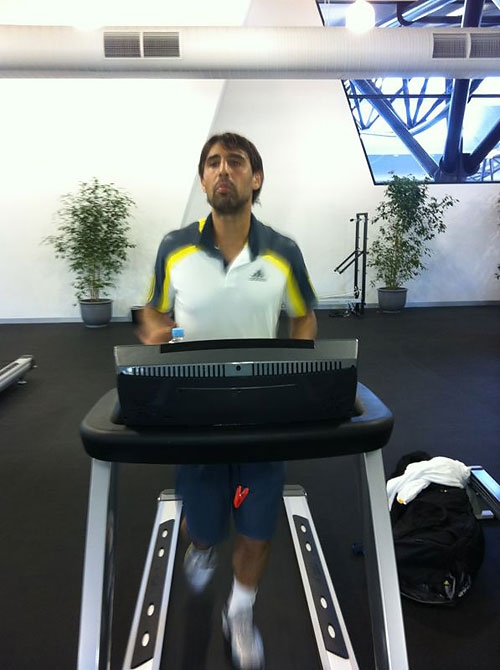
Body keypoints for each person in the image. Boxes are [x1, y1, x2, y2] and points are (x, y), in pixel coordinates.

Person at [138, 132, 317, 670]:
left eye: (235, 162)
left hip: (261, 412)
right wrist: (156, 332)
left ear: (255, 178)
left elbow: (303, 315)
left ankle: (239, 611)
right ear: (202, 180)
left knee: (257, 529)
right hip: (195, 412)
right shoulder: (175, 247)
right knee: (204, 529)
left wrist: (296, 371)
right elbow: (153, 311)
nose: (223, 170)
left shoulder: (283, 252)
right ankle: (202, 548)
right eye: (213, 163)